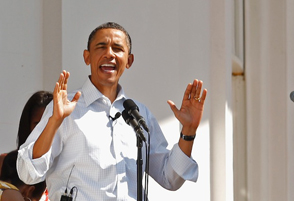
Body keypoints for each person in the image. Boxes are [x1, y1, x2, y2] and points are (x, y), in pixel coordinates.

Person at [17, 22, 207, 200]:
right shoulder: (66, 108)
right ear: (87, 57)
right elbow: (28, 172)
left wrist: (188, 131)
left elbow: (170, 178)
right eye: (101, 47)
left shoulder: (139, 114)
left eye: (117, 48)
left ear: (129, 60)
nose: (109, 54)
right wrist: (54, 122)